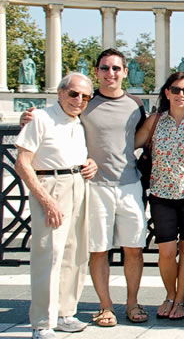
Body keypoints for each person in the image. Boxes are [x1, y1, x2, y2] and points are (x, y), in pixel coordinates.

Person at [23, 49, 150, 326]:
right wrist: (29, 119)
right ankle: (106, 306)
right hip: (92, 186)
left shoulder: (136, 104)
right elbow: (55, 120)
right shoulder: (84, 103)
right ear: (97, 72)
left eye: (116, 68)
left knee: (134, 248)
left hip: (129, 183)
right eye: (105, 68)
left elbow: (141, 138)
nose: (110, 74)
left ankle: (132, 303)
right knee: (97, 250)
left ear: (125, 72)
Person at [16, 73, 98, 339]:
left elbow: (72, 154)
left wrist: (89, 164)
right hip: (51, 188)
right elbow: (22, 163)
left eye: (85, 96)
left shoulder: (77, 122)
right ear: (60, 92)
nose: (79, 100)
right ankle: (42, 323)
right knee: (48, 256)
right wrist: (46, 199)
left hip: (78, 184)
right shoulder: (40, 118)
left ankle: (65, 313)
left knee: (75, 253)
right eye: (74, 94)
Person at [135, 72, 184, 320]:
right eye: (176, 90)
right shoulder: (154, 121)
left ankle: (180, 301)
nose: (180, 95)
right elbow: (128, 144)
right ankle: (169, 294)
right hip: (161, 194)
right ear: (167, 92)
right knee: (166, 251)